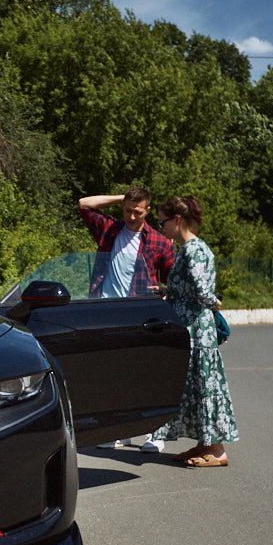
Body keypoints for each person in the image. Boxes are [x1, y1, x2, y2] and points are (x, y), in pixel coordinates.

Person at [79, 187, 176, 452]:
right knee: (112, 374)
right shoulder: (109, 230)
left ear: (147, 211)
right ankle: (119, 431)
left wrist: (165, 297)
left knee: (146, 374)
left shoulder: (160, 242)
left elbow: (175, 281)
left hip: (142, 315)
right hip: (107, 312)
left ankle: (154, 433)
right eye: (127, 210)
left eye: (137, 211)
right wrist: (121, 197)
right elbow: (85, 204)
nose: (131, 216)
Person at [149, 196, 239, 467]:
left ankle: (218, 451)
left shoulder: (193, 249)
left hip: (198, 333)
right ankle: (205, 444)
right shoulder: (187, 249)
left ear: (177, 220)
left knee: (205, 388)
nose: (161, 227)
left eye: (163, 221)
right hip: (190, 331)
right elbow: (191, 288)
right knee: (197, 389)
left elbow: (201, 291)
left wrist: (214, 302)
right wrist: (167, 291)